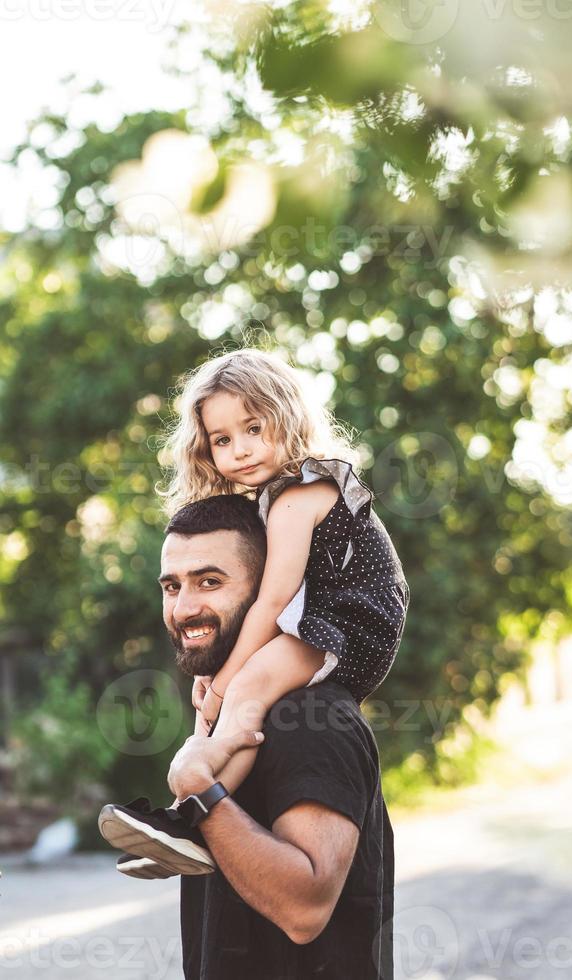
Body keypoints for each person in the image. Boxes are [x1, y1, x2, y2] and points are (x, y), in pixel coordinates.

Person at [99, 346, 409, 873]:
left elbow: (274, 598)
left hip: (356, 623)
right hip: (324, 621)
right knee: (239, 698)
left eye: (253, 429)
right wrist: (221, 679)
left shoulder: (299, 493)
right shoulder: (271, 498)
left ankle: (192, 807)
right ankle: (185, 825)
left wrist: (225, 681)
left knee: (244, 688)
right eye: (222, 440)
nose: (239, 450)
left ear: (287, 418)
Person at [108, 495, 397, 979]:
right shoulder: (238, 708)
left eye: (210, 582)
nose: (184, 607)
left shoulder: (310, 716)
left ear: (268, 588)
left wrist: (200, 793)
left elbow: (305, 909)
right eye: (171, 586)